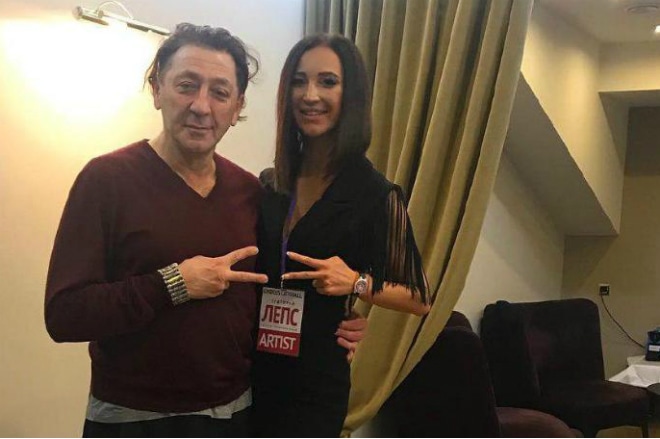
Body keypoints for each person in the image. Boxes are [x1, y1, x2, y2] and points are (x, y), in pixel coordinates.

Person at [45, 23, 364, 438]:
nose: (201, 106)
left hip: (236, 416)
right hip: (132, 419)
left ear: (237, 107)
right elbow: (64, 315)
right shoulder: (106, 180)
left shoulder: (252, 192)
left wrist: (337, 322)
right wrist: (174, 283)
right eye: (186, 86)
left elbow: (270, 291)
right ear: (157, 89)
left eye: (220, 92)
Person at [252, 33, 431, 438]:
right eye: (299, 81)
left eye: (327, 81)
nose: (310, 95)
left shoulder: (375, 194)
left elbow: (419, 298)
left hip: (314, 384)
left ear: (351, 95)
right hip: (251, 370)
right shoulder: (271, 183)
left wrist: (356, 283)